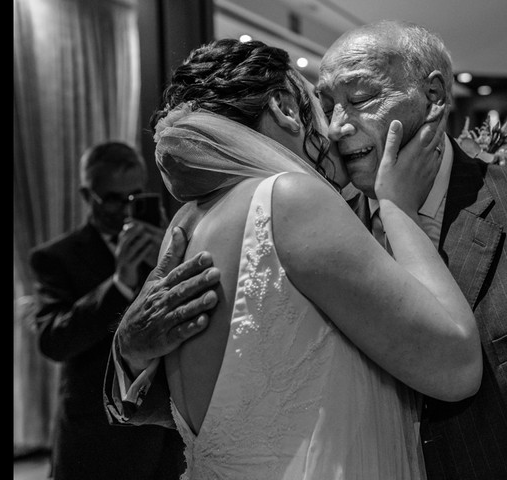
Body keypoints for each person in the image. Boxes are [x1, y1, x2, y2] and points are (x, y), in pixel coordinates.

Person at [107, 21, 507, 479]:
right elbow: (236, 397)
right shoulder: (303, 223)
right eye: (327, 103)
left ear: (433, 94)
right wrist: (132, 355)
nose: (339, 126)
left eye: (362, 98)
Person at [109, 38, 481, 479]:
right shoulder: (290, 199)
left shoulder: (187, 224)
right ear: (286, 106)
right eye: (320, 106)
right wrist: (396, 204)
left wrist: (127, 358)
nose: (337, 128)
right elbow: (457, 367)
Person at [30, 141, 183, 479]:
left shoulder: (167, 245)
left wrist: (169, 259)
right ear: (88, 196)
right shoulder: (56, 257)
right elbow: (53, 341)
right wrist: (119, 285)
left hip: (159, 430)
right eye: (113, 198)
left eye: (135, 197)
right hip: (93, 433)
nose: (126, 208)